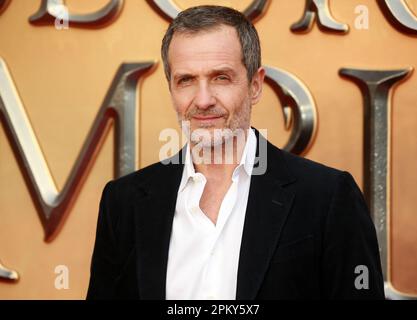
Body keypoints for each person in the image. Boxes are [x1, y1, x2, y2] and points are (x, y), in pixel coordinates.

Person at [87, 5, 385, 300]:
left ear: (255, 85)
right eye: (186, 80)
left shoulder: (327, 198)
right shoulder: (123, 204)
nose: (203, 100)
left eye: (221, 77)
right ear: (171, 89)